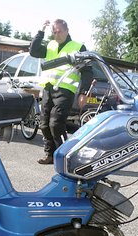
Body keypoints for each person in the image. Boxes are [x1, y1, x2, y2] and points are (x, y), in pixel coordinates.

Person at [30, 19, 92, 164]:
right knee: (44, 124)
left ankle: (66, 158)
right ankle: (50, 155)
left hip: (65, 90)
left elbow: (88, 72)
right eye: (54, 32)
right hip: (48, 88)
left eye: (60, 31)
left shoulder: (78, 47)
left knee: (56, 124)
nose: (57, 34)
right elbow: (33, 51)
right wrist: (40, 31)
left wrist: (83, 92)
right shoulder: (50, 45)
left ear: (67, 30)